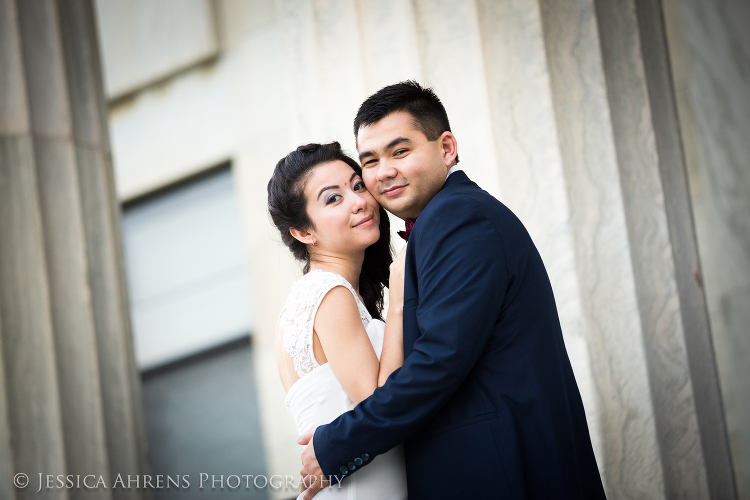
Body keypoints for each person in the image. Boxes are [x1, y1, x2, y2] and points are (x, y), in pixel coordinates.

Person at [297, 81, 607, 499]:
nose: (383, 171)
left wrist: (338, 444)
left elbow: (439, 360)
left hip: (506, 473)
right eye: (370, 161)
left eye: (400, 151)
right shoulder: (442, 223)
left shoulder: (458, 217)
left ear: (446, 148)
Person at [267, 142, 409, 499]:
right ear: (304, 232)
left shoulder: (321, 293)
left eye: (357, 185)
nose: (360, 201)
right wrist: (399, 302)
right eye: (333, 198)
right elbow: (381, 404)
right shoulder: (328, 293)